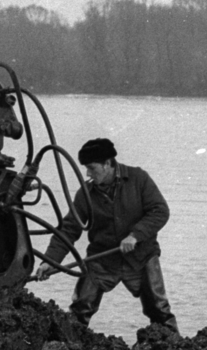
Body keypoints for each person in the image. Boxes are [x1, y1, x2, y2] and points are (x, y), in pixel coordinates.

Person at [31, 138, 177, 331]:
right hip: (101, 260)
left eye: (91, 168)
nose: (88, 174)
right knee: (79, 309)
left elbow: (160, 211)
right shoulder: (85, 193)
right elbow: (69, 229)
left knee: (159, 310)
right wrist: (50, 261)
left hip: (141, 257)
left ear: (107, 164)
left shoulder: (138, 179)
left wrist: (135, 235)